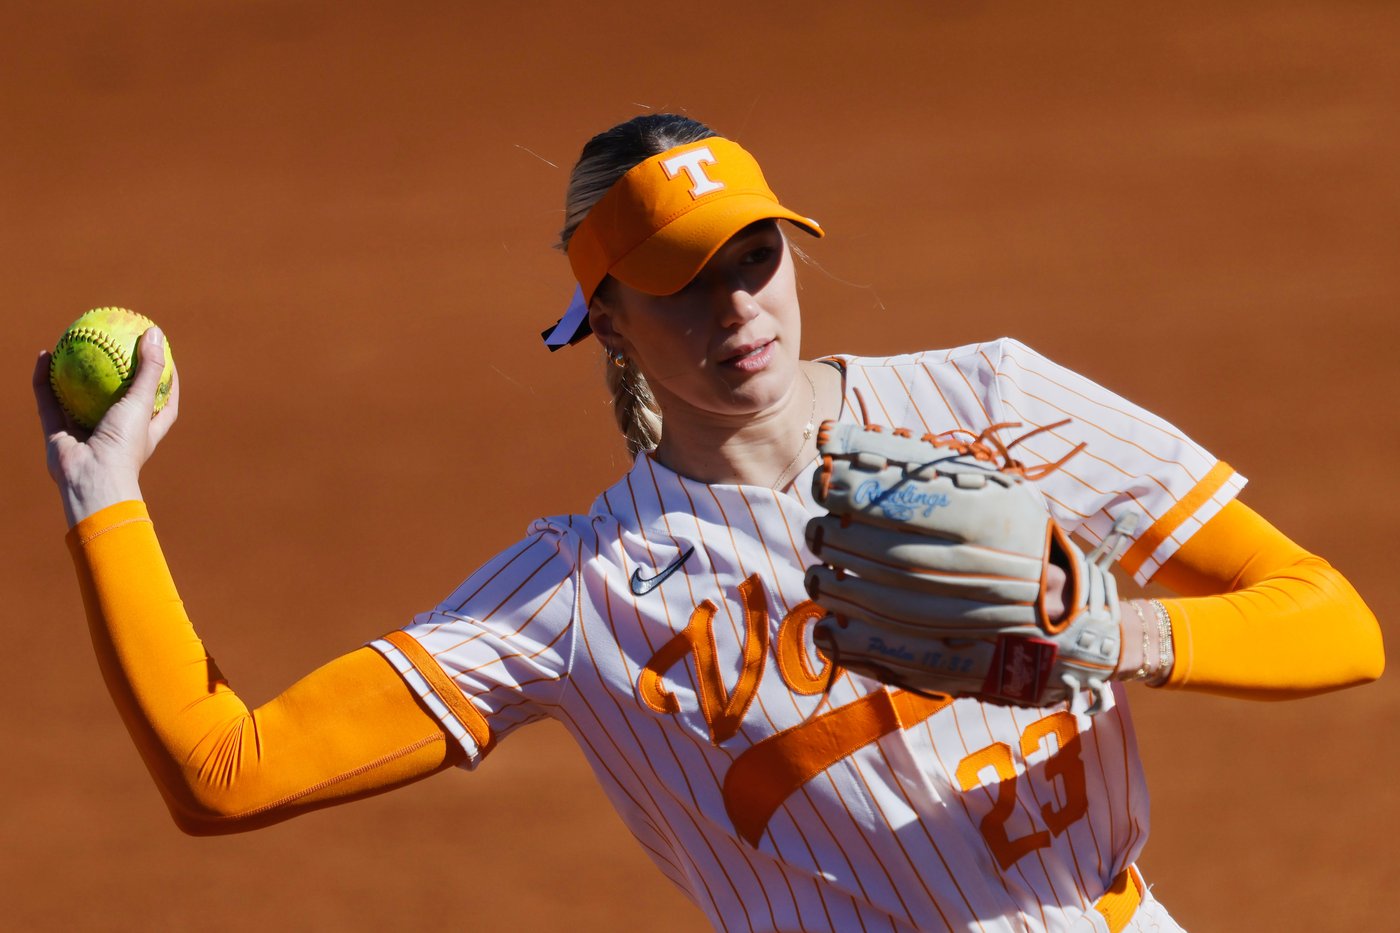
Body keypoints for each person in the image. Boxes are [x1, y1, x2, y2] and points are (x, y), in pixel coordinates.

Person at [35, 113, 1383, 933]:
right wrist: (107, 499)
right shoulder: (579, 590)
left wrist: (1111, 631)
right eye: (682, 280)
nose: (737, 308)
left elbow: (1337, 623)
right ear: (607, 322)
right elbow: (227, 770)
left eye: (755, 256)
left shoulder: (991, 398)